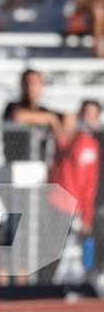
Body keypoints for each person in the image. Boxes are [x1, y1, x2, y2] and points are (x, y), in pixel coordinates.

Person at [39, 99, 101, 282]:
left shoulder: (93, 146)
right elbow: (63, 130)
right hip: (58, 203)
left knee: (88, 245)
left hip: (78, 207)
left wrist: (87, 216)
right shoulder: (68, 136)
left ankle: (91, 279)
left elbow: (90, 184)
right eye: (85, 114)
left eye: (92, 115)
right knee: (52, 251)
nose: (87, 119)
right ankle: (43, 286)